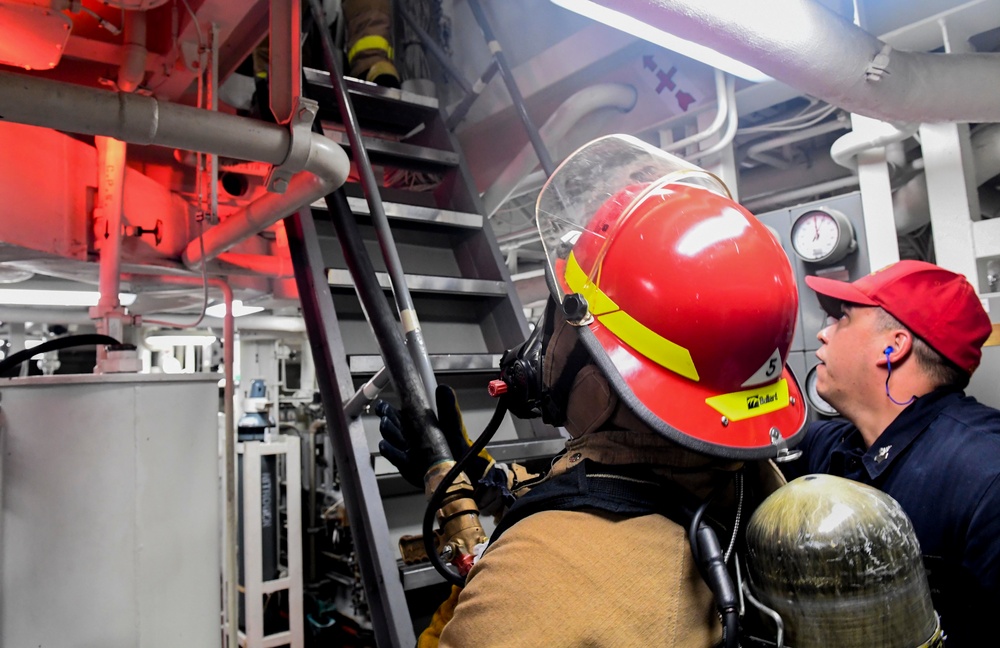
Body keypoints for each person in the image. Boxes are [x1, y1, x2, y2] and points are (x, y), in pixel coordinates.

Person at [378, 135, 811, 647]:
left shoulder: (530, 585)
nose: (542, 344)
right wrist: (492, 481)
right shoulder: (762, 493)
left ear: (606, 378)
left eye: (559, 321)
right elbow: (631, 485)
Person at [783, 260, 999, 645]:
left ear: (894, 346)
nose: (822, 334)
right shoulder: (828, 447)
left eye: (842, 319)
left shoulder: (985, 473)